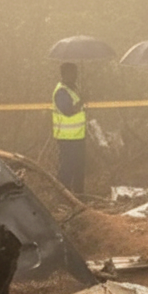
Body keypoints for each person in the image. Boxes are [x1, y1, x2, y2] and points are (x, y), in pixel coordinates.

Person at [52, 62, 86, 195]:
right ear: (65, 74)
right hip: (66, 138)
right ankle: (63, 197)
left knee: (79, 169)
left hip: (78, 136)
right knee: (66, 170)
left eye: (76, 73)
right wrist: (81, 103)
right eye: (73, 73)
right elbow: (68, 111)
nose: (75, 76)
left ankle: (79, 196)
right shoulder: (61, 91)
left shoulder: (73, 89)